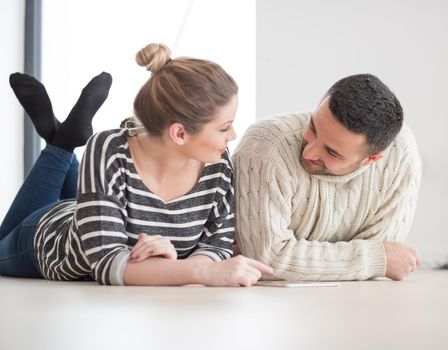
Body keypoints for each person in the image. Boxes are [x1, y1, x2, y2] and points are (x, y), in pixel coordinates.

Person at [0, 43, 272, 286]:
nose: (233, 136)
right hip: (50, 237)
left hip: (99, 211)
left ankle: (62, 139)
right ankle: (61, 146)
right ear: (179, 133)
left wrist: (178, 265)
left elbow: (217, 243)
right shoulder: (109, 149)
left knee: (94, 200)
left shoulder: (216, 160)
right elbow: (106, 263)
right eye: (224, 127)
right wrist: (200, 272)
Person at [233, 74, 422, 282]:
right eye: (313, 128)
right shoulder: (267, 144)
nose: (309, 153)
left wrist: (300, 259)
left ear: (372, 159)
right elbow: (266, 258)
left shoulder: (400, 154)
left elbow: (382, 243)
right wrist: (376, 259)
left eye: (332, 152)